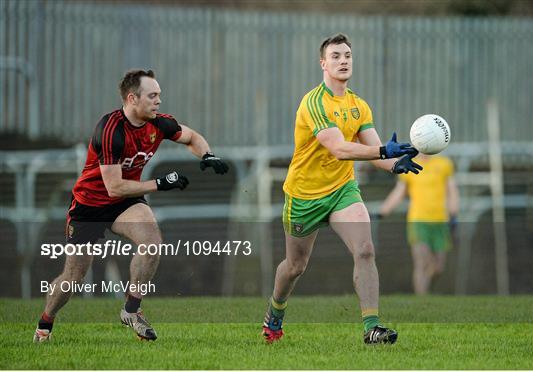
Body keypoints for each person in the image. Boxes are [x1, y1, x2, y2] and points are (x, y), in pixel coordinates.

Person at [33, 69, 229, 342]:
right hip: (89, 206)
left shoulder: (159, 124)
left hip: (124, 202)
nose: (159, 101)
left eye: (159, 95)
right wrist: (160, 184)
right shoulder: (110, 129)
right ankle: (45, 323)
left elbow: (192, 137)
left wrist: (207, 154)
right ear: (132, 98)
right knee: (73, 278)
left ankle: (132, 309)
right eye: (152, 96)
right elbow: (114, 187)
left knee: (151, 242)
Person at [261, 33, 423, 345]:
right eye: (335, 56)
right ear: (323, 63)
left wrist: (396, 164)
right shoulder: (314, 102)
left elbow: (376, 150)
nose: (343, 60)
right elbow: (339, 148)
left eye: (347, 55)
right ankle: (276, 312)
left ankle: (371, 327)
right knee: (295, 266)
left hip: (342, 190)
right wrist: (383, 154)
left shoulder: (358, 105)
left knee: (365, 249)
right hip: (304, 195)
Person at [378, 152, 459, 295]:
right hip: (418, 221)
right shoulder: (409, 166)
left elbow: (452, 191)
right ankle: (422, 301)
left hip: (440, 221)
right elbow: (399, 192)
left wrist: (453, 214)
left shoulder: (444, 163)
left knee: (438, 267)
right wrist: (383, 211)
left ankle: (425, 290)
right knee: (422, 263)